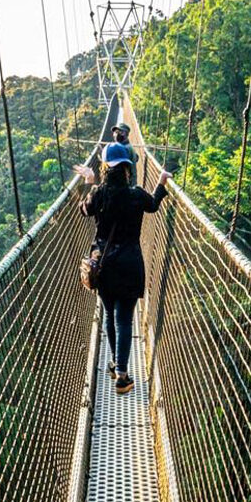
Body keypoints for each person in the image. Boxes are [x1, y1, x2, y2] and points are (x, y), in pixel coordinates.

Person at [74, 142, 170, 394]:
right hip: (129, 264)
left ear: (106, 167)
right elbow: (153, 205)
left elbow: (83, 210)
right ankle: (122, 375)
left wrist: (89, 182)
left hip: (103, 266)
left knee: (109, 315)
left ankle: (117, 366)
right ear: (128, 168)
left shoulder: (98, 193)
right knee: (124, 319)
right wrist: (161, 182)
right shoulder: (136, 194)